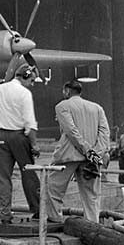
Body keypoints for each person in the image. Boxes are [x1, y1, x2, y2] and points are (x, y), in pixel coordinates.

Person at [45, 81, 110, 223]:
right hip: (91, 159)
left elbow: (71, 131)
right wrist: (95, 154)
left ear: (67, 91)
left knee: (53, 187)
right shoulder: (97, 108)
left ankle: (55, 219)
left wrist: (87, 150)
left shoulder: (62, 106)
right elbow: (104, 133)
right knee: (91, 195)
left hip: (68, 156)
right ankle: (93, 224)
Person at [0, 65, 40, 224]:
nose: (33, 84)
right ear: (25, 77)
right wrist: (34, 144)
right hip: (19, 135)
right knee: (29, 174)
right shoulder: (24, 93)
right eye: (32, 80)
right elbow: (30, 122)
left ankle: (5, 215)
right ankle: (38, 210)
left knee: (2, 178)